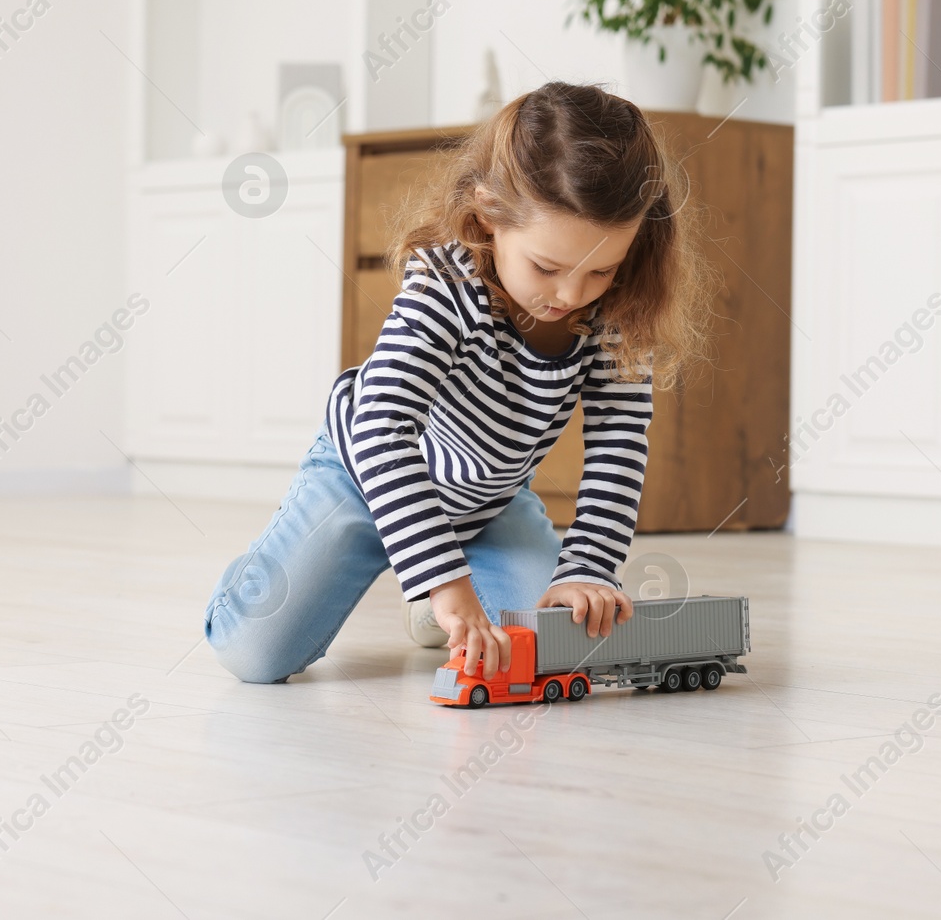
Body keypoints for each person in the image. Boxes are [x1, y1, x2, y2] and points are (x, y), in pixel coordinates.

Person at [203, 81, 715, 685]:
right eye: (546, 267)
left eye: (602, 269)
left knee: (550, 645)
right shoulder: (445, 286)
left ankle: (431, 600)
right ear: (487, 217)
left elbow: (618, 444)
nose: (572, 295)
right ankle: (278, 580)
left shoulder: (618, 312)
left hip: (489, 502)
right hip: (364, 478)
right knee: (255, 658)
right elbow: (380, 427)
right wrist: (447, 584)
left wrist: (588, 568)